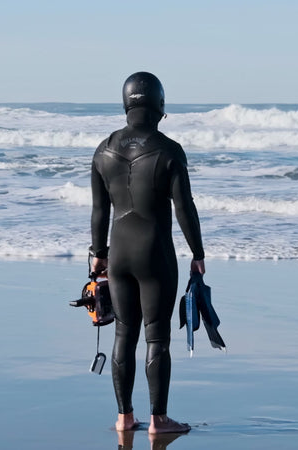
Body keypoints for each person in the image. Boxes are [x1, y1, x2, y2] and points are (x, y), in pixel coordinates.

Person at [89, 72, 205, 434]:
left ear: (126, 104)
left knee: (123, 334)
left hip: (118, 252)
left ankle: (124, 418)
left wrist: (98, 254)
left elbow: (99, 212)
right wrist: (198, 253)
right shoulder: (169, 150)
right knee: (157, 335)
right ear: (160, 105)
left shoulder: (103, 150)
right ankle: (159, 420)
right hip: (155, 253)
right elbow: (185, 207)